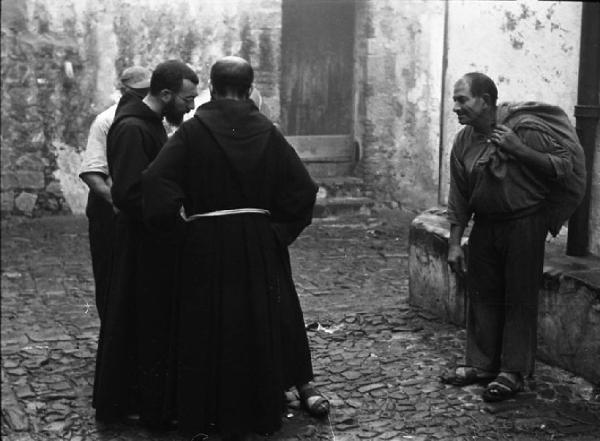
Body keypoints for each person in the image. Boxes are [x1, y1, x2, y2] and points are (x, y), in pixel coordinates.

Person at [142, 56, 327, 441]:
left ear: (211, 86)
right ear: (248, 87)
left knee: (206, 325)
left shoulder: (191, 133)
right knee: (255, 324)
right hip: (259, 244)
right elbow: (304, 191)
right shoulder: (267, 131)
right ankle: (258, 411)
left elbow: (155, 184)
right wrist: (277, 232)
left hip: (205, 245)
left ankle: (206, 413)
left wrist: (179, 233)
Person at [441, 72, 585, 402]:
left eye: (462, 100)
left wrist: (519, 150)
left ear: (486, 101)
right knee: (482, 295)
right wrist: (453, 243)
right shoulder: (464, 141)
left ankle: (512, 372)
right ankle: (480, 365)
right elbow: (459, 196)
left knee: (519, 297)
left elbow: (562, 166)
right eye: (455, 100)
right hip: (486, 226)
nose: (456, 107)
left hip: (524, 223)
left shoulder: (525, 130)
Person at [93, 60, 199, 427]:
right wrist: (174, 214)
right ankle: (136, 403)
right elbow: (130, 193)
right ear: (165, 94)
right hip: (143, 242)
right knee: (139, 321)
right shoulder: (134, 129)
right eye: (186, 99)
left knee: (143, 322)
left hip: (150, 239)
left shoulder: (149, 124)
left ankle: (142, 399)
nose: (189, 106)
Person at [79, 66, 151, 322]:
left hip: (136, 209)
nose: (144, 96)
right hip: (110, 211)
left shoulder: (155, 118)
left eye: (147, 91)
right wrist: (116, 201)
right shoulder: (107, 120)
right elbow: (92, 172)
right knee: (110, 276)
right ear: (124, 91)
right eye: (139, 91)